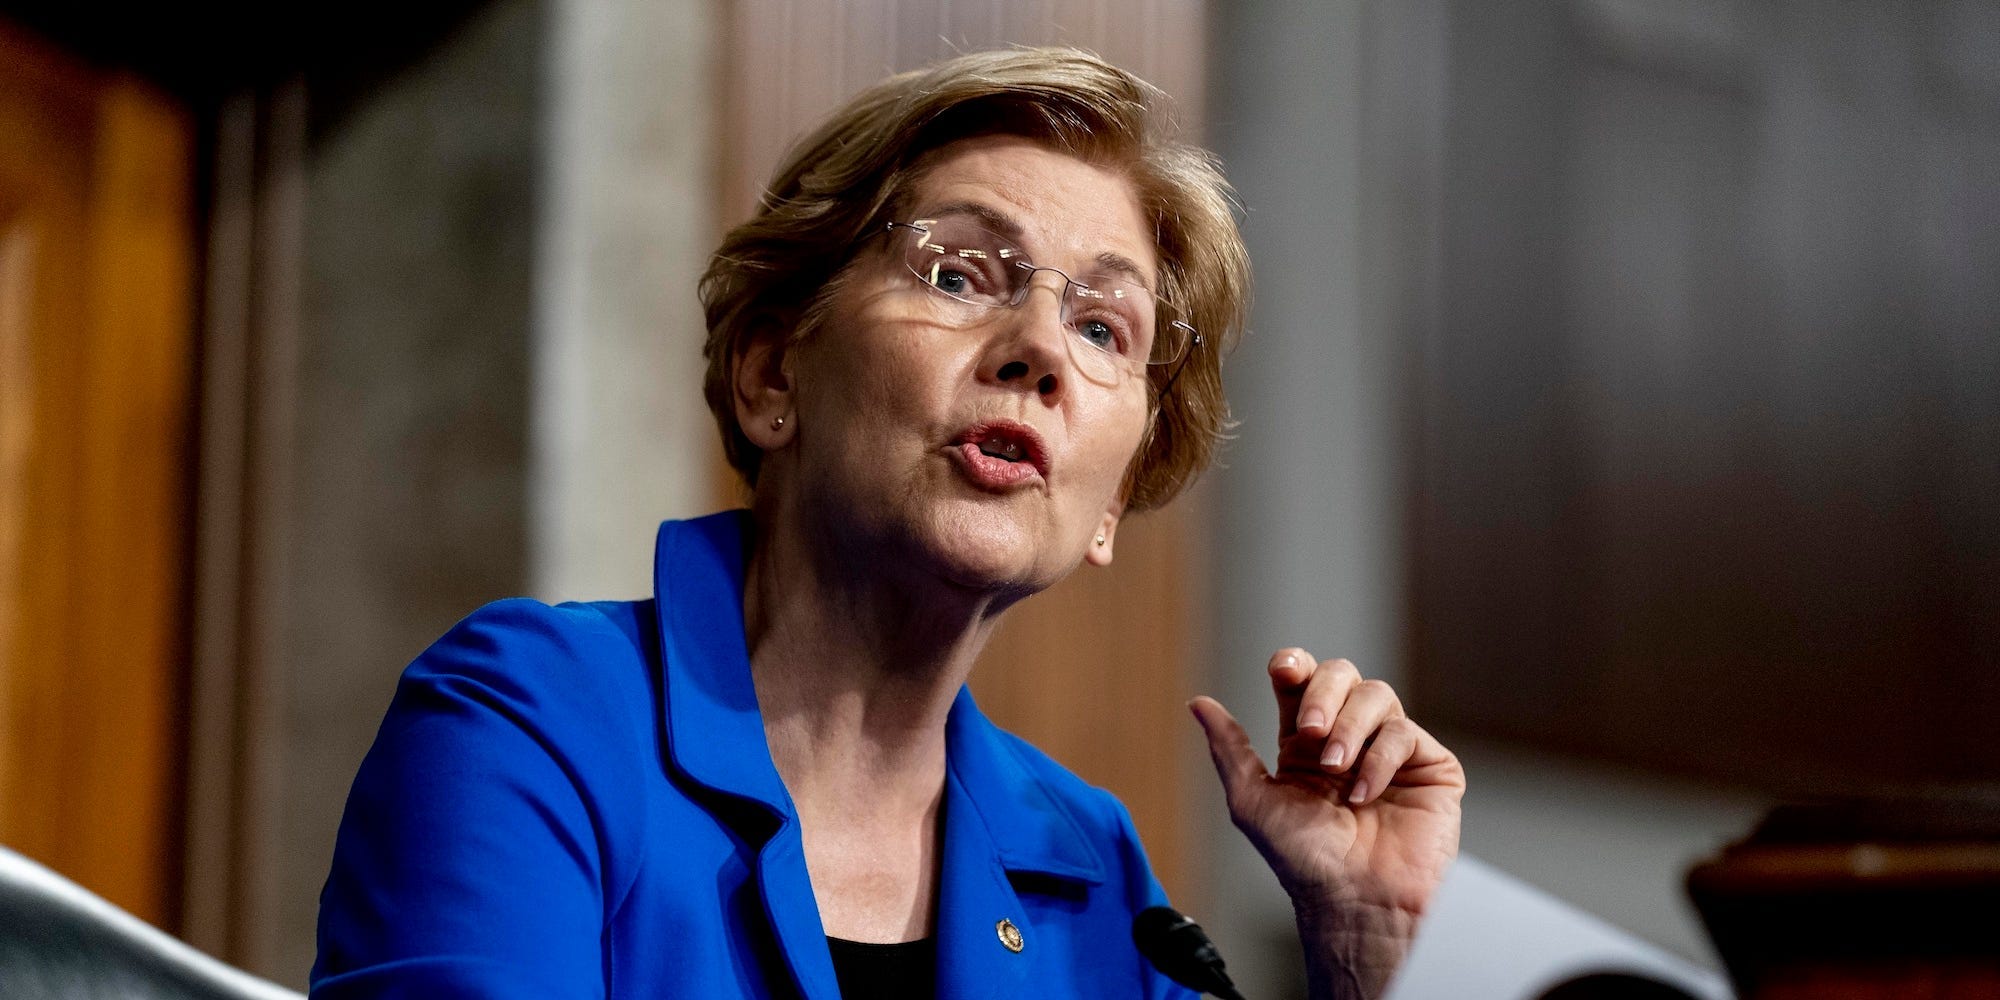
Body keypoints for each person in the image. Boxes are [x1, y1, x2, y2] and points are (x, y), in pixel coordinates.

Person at [311, 47, 1464, 1000]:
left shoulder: (1090, 876)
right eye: (961, 274)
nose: (1041, 350)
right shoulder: (534, 722)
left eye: (1105, 329)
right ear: (773, 374)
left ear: (1111, 503)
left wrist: (1371, 957)